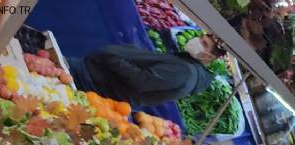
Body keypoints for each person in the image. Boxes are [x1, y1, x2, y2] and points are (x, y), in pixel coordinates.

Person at [69, 35, 223, 107]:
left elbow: (141, 81)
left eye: (204, 43)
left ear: (209, 57)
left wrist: (112, 58)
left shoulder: (185, 73)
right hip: (91, 76)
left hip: (90, 82)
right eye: (201, 37)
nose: (197, 41)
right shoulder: (186, 64)